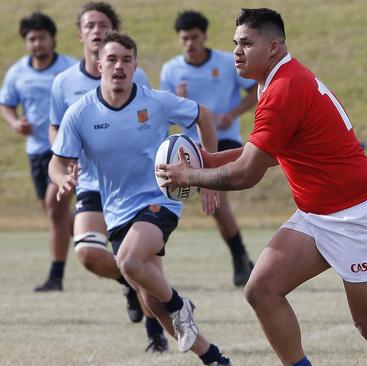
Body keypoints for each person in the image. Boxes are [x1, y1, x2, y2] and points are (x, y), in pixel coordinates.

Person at [156, 8, 367, 366]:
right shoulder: (275, 80)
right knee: (262, 290)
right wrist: (206, 158)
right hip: (318, 214)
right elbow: (265, 154)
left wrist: (189, 176)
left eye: (247, 43)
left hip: (359, 217)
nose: (237, 51)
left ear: (273, 46)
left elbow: (247, 174)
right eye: (235, 43)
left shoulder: (283, 88)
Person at [49, 32, 231, 366]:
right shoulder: (80, 113)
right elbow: (57, 160)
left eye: (127, 60)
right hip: (116, 211)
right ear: (99, 64)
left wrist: (208, 177)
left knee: (129, 263)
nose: (119, 66)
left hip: (158, 200)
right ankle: (214, 357)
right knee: (152, 304)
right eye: (113, 59)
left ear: (135, 66)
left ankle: (181, 304)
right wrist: (62, 178)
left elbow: (203, 115)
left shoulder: (155, 102)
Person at [48, 1, 164, 351]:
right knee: (88, 253)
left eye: (103, 24)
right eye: (90, 25)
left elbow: (150, 122)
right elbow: (55, 130)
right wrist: (65, 161)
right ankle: (128, 281)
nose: (97, 30)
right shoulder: (63, 82)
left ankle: (155, 334)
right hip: (91, 182)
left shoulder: (135, 77)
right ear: (80, 33)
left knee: (142, 262)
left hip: (133, 185)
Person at [160, 10, 257, 287]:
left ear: (204, 36)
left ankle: (240, 259)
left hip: (224, 140)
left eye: (194, 37)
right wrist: (178, 102)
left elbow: (253, 90)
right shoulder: (171, 70)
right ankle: (241, 257)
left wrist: (233, 113)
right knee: (209, 202)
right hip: (189, 144)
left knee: (217, 201)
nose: (189, 43)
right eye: (184, 38)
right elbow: (166, 110)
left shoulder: (226, 63)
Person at [0, 12, 77, 292]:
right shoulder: (18, 72)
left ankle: (56, 276)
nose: (36, 44)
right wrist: (14, 122)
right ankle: (95, 234)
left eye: (42, 37)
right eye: (31, 39)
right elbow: (6, 103)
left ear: (52, 38)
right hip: (35, 151)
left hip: (66, 151)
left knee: (54, 205)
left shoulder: (70, 69)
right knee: (53, 211)